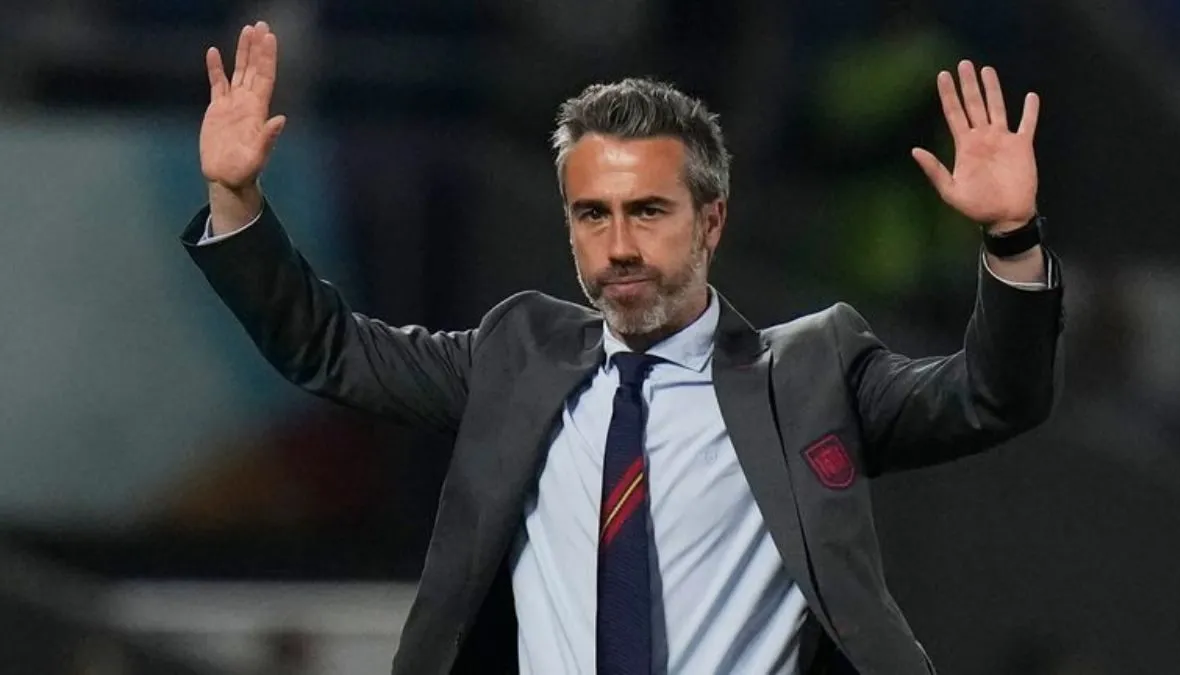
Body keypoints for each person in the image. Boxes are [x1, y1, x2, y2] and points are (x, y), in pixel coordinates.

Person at [184, 21, 1062, 675]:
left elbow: (994, 395)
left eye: (648, 211)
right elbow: (329, 350)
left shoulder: (809, 375)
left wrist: (1011, 239)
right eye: (592, 215)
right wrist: (236, 200)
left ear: (711, 220)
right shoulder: (517, 356)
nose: (619, 247)